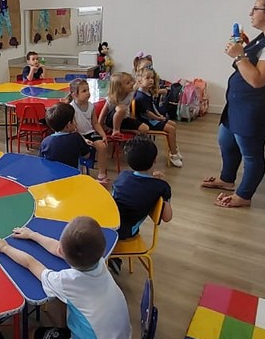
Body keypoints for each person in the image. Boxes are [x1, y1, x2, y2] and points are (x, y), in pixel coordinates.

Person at [0, 217, 131, 339]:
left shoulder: (68, 281)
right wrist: (32, 235)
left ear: (63, 250)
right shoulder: (101, 263)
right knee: (58, 302)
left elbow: (31, 263)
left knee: (33, 336)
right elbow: (58, 248)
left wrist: (4, 248)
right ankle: (64, 335)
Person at [202, 0, 265, 208]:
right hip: (237, 105)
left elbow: (257, 80)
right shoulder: (262, 38)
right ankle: (227, 179)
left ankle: (244, 195)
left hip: (253, 108)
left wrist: (239, 55)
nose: (250, 13)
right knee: (226, 140)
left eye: (255, 9)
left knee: (251, 154)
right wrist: (244, 47)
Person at [109, 135, 173, 275]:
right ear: (154, 160)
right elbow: (167, 217)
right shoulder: (161, 187)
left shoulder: (123, 176)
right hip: (126, 232)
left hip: (108, 223)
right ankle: (110, 257)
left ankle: (108, 257)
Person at [134, 68, 183, 167]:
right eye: (147, 78)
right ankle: (173, 154)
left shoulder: (148, 93)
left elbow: (153, 107)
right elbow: (147, 113)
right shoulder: (140, 96)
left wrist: (159, 115)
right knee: (171, 129)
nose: (151, 80)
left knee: (173, 124)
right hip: (147, 122)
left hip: (153, 119)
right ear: (139, 81)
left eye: (152, 78)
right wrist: (158, 118)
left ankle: (173, 148)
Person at [66, 79, 110, 182]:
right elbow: (74, 128)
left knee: (102, 146)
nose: (88, 93)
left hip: (89, 132)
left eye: (88, 90)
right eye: (84, 91)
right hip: (77, 135)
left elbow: (95, 123)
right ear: (74, 95)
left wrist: (103, 134)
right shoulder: (71, 108)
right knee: (82, 151)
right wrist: (83, 140)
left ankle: (102, 173)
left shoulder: (91, 105)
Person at [39, 102, 100, 176]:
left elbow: (42, 161)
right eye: (74, 120)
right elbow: (86, 155)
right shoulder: (76, 137)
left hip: (52, 177)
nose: (76, 123)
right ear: (68, 125)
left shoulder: (45, 142)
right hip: (73, 176)